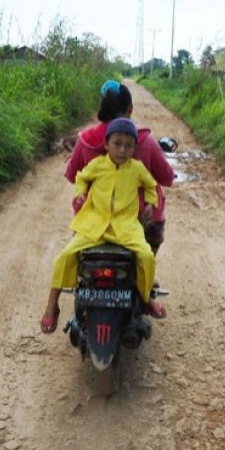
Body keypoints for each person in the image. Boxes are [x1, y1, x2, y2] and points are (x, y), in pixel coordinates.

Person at [41, 118, 166, 334]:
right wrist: (80, 193)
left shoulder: (137, 169)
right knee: (65, 256)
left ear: (134, 148)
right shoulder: (97, 165)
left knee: (146, 257)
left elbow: (151, 183)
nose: (122, 149)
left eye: (128, 145)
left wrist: (151, 203)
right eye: (117, 143)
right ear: (107, 144)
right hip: (94, 224)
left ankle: (146, 299)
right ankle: (52, 305)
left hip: (126, 226)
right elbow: (81, 178)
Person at [65, 80, 174, 257]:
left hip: (94, 220)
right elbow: (167, 178)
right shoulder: (144, 140)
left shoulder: (85, 140)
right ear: (130, 108)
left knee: (75, 256)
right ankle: (147, 276)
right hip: (139, 222)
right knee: (151, 242)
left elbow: (71, 176)